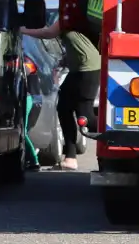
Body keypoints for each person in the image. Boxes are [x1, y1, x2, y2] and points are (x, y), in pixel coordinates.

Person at [21, 20, 101, 171]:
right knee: (64, 108)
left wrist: (22, 30)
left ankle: (122, 137)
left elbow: (48, 33)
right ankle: (70, 158)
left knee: (86, 115)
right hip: (81, 67)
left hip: (87, 68)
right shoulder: (71, 13)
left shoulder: (68, 15)